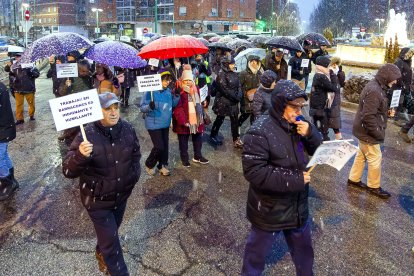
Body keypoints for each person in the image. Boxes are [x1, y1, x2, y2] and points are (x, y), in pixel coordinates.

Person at [241, 80, 323, 276]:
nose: (298, 111)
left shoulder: (299, 123)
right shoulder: (259, 131)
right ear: (279, 103)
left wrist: (310, 133)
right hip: (269, 208)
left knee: (304, 254)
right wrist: (294, 180)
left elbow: (317, 148)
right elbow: (254, 171)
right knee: (255, 256)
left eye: (301, 106)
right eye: (293, 106)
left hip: (297, 206)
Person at [63, 92, 141, 275]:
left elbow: (136, 155)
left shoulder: (128, 129)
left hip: (121, 196)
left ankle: (101, 250)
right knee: (112, 244)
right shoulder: (86, 135)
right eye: (107, 109)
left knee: (109, 236)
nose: (113, 112)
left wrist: (133, 177)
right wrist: (80, 155)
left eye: (116, 107)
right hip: (98, 202)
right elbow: (68, 171)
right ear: (98, 111)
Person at [347, 63, 401, 199]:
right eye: (394, 78)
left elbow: (372, 111)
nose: (395, 82)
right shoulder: (375, 90)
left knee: (361, 155)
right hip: (368, 132)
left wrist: (386, 112)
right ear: (387, 76)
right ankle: (374, 187)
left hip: (363, 130)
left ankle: (353, 179)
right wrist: (377, 133)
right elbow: (368, 116)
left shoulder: (376, 87)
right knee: (375, 157)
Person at [140, 69, 179, 176]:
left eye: (169, 80)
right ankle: (149, 164)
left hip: (165, 123)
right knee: (159, 146)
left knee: (165, 146)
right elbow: (142, 108)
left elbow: (173, 104)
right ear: (159, 80)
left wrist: (177, 95)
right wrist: (149, 106)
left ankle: (162, 165)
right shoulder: (150, 91)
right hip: (153, 124)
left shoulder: (168, 92)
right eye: (166, 80)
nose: (168, 82)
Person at [173, 66, 209, 167]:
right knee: (183, 141)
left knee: (198, 138)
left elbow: (199, 101)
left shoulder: (195, 87)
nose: (188, 82)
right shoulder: (178, 90)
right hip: (184, 120)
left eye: (190, 79)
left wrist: (203, 102)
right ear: (182, 80)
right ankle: (184, 158)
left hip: (196, 118)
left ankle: (198, 156)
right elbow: (177, 108)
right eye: (186, 80)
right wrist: (183, 121)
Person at [210, 56, 243, 148]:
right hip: (223, 101)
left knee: (235, 121)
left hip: (234, 101)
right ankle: (213, 134)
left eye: (233, 63)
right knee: (220, 119)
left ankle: (236, 139)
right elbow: (224, 89)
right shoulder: (221, 73)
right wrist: (236, 97)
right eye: (232, 63)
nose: (233, 65)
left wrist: (239, 95)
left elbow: (239, 85)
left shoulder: (234, 72)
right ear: (226, 64)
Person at [309, 56, 340, 141]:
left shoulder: (318, 75)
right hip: (320, 110)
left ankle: (318, 146)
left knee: (319, 130)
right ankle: (321, 148)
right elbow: (334, 88)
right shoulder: (321, 77)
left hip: (317, 109)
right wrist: (333, 74)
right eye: (328, 66)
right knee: (323, 132)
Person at [4, 52, 40, 125]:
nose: (18, 58)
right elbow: (10, 74)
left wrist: (31, 71)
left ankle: (31, 115)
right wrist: (13, 78)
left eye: (19, 56)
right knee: (18, 105)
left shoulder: (31, 65)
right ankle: (20, 119)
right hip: (18, 88)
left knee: (31, 104)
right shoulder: (13, 66)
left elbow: (37, 74)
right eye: (17, 56)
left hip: (29, 88)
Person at [0, 81, 19, 201]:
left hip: (2, 129)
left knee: (0, 158)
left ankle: (7, 184)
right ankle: (11, 180)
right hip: (4, 128)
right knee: (4, 155)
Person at [238, 55, 263, 128]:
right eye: (252, 61)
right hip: (246, 99)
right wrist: (244, 93)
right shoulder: (243, 73)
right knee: (245, 115)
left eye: (256, 61)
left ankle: (253, 131)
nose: (254, 63)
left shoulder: (259, 73)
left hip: (256, 97)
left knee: (254, 116)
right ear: (249, 63)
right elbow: (239, 86)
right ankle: (237, 126)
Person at [394, 47, 414, 126]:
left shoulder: (408, 61)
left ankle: (400, 116)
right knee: (398, 102)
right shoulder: (399, 61)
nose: (410, 55)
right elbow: (397, 75)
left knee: (403, 102)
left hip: (406, 87)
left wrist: (408, 86)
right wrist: (402, 85)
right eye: (409, 53)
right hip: (399, 87)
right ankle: (396, 118)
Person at [327, 57, 344, 140]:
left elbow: (335, 85)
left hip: (332, 96)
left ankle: (338, 136)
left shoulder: (333, 72)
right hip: (335, 96)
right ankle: (337, 135)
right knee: (332, 115)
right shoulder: (337, 72)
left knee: (332, 115)